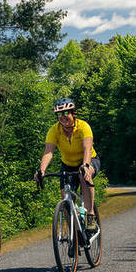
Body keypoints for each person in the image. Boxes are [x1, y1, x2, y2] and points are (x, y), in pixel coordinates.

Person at [35, 98, 101, 233]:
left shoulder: (83, 127)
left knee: (84, 175)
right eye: (59, 114)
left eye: (66, 113)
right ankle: (75, 235)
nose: (63, 117)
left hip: (89, 160)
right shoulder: (54, 130)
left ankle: (90, 215)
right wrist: (41, 170)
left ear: (73, 113)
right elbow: (48, 152)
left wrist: (85, 165)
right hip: (68, 164)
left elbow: (87, 149)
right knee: (66, 201)